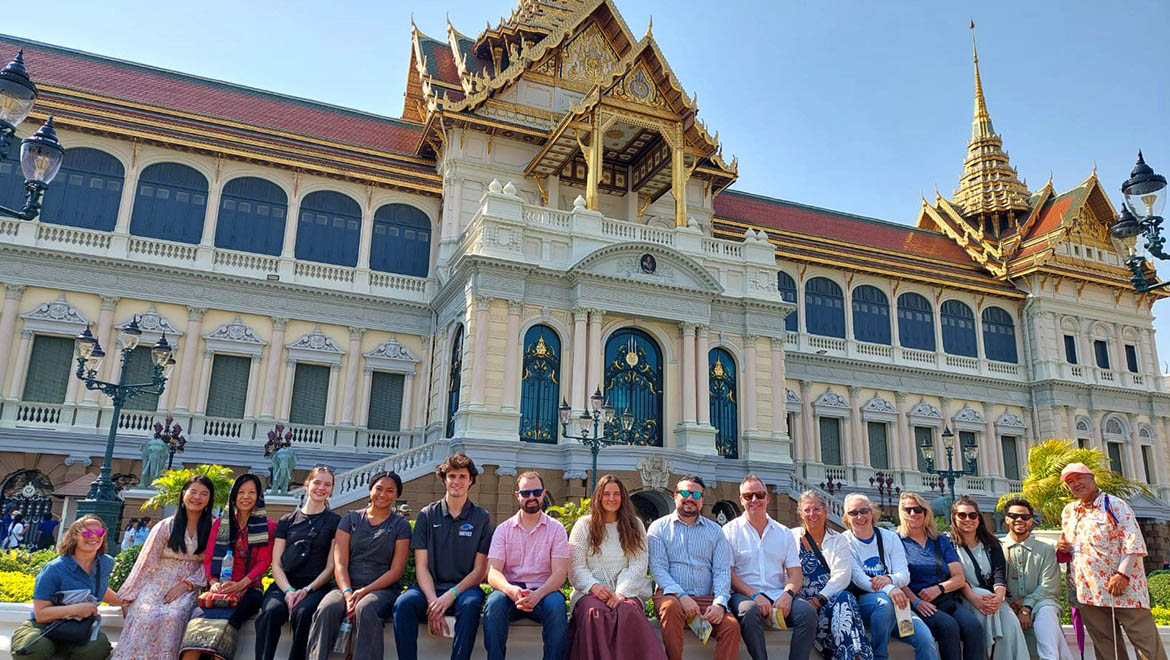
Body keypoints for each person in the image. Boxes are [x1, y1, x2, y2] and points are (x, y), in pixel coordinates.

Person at [1057, 462, 1167, 660]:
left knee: (1146, 645)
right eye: (1070, 482)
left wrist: (1122, 574)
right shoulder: (1069, 511)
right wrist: (1062, 547)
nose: (1076, 484)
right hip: (1089, 591)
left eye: (1079, 478)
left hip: (1123, 588)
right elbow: (1070, 545)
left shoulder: (1114, 504)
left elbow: (1133, 540)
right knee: (1106, 647)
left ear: (1092, 477)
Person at [393, 453, 493, 660]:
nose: (456, 482)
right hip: (429, 588)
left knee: (471, 605)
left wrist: (450, 595)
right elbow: (421, 566)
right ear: (444, 479)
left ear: (471, 480)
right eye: (452, 476)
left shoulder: (481, 518)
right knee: (403, 604)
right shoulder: (426, 515)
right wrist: (433, 601)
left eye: (462, 477)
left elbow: (479, 570)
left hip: (464, 589)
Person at [307, 470, 411, 660]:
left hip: (382, 589)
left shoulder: (401, 526)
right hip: (345, 587)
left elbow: (396, 570)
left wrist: (364, 591)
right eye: (378, 488)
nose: (383, 494)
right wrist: (347, 593)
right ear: (370, 490)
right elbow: (340, 563)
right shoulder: (350, 519)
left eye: (390, 491)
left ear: (397, 495)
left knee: (365, 607)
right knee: (327, 608)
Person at [113, 475, 215, 660]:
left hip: (189, 584)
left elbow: (211, 562)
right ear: (183, 494)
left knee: (173, 615)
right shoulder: (166, 526)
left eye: (204, 494)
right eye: (193, 492)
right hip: (157, 581)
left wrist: (188, 584)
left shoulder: (213, 527)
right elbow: (146, 561)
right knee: (144, 613)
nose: (197, 497)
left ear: (210, 499)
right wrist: (129, 595)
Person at [565, 474, 664, 660]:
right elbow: (576, 566)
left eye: (616, 494)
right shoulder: (583, 526)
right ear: (598, 497)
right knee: (595, 613)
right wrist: (594, 587)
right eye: (606, 493)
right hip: (590, 592)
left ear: (623, 497)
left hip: (626, 592)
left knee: (626, 611)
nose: (611, 498)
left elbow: (638, 564)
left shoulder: (635, 525)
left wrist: (620, 593)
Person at [180, 473, 276, 659]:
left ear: (258, 497)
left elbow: (264, 562)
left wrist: (240, 585)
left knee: (225, 626)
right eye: (241, 492)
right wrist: (213, 582)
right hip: (218, 590)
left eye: (251, 492)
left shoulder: (268, 527)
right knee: (195, 628)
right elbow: (209, 559)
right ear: (234, 496)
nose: (246, 497)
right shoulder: (220, 524)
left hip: (249, 591)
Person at [722, 474, 816, 660]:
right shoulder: (728, 532)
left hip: (778, 595)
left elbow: (795, 574)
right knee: (749, 612)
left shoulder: (783, 533)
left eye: (759, 495)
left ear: (767, 498)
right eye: (748, 496)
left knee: (808, 613)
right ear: (741, 500)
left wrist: (788, 595)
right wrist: (755, 596)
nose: (754, 500)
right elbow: (729, 574)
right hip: (744, 595)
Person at [647, 475, 741, 660]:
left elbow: (722, 570)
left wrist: (720, 603)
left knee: (731, 626)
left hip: (706, 599)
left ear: (702, 500)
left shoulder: (715, 531)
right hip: (671, 595)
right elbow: (658, 568)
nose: (690, 498)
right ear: (675, 496)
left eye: (696, 494)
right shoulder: (658, 528)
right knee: (671, 608)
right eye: (685, 493)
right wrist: (682, 597)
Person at [254, 466, 341, 660]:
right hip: (284, 585)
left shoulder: (336, 521)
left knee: (304, 613)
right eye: (317, 482)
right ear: (307, 484)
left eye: (327, 484)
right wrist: (288, 591)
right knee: (270, 613)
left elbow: (330, 567)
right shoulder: (287, 521)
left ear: (332, 489)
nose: (321, 488)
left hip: (316, 587)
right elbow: (276, 564)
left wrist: (307, 589)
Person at [9, 515, 123, 659]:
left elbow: (99, 587)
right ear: (74, 536)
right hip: (45, 626)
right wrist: (75, 609)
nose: (94, 537)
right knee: (35, 647)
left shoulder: (106, 563)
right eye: (87, 533)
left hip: (79, 627)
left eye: (99, 532)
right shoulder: (55, 568)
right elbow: (41, 614)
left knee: (97, 647)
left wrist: (125, 602)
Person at [483, 471, 569, 660]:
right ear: (517, 496)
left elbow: (560, 574)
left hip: (545, 591)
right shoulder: (503, 529)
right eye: (525, 493)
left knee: (556, 606)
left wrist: (538, 594)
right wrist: (511, 590)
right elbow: (493, 572)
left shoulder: (557, 529)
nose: (531, 498)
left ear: (543, 494)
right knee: (494, 604)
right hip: (512, 591)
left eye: (536, 492)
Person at [841, 493, 937, 660]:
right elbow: (859, 578)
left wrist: (890, 579)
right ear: (847, 517)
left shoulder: (889, 537)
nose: (859, 516)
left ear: (872, 513)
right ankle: (879, 656)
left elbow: (904, 575)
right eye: (853, 513)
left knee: (926, 640)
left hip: (899, 607)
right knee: (883, 603)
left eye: (864, 511)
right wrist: (890, 588)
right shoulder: (844, 542)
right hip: (867, 602)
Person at [897, 492, 983, 660]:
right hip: (912, 605)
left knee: (974, 627)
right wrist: (917, 601)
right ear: (902, 513)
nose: (913, 514)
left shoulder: (940, 541)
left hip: (944, 599)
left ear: (926, 512)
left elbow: (959, 577)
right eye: (908, 510)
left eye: (918, 509)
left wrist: (939, 588)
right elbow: (897, 579)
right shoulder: (896, 541)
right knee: (948, 627)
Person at [791, 490, 873, 660]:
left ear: (825, 511)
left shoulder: (838, 540)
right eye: (807, 510)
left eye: (816, 509)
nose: (812, 514)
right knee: (846, 603)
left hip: (828, 601)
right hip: (801, 604)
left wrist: (819, 599)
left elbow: (841, 576)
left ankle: (851, 656)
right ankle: (856, 656)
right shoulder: (790, 537)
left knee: (844, 599)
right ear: (800, 513)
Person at [949, 496, 1027, 659]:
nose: (968, 519)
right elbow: (955, 577)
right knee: (983, 612)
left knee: (1011, 623)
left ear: (979, 519)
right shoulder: (948, 544)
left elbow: (999, 574)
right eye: (962, 515)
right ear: (954, 518)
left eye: (972, 515)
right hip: (964, 597)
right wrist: (974, 597)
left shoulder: (991, 544)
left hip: (992, 598)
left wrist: (999, 597)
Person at [1001, 496, 1074, 660]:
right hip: (1007, 606)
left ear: (1031, 521)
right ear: (1006, 519)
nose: (1019, 520)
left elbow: (1050, 586)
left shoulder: (1046, 549)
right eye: (1013, 516)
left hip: (1041, 604)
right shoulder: (997, 548)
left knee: (1047, 612)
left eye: (1025, 517)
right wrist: (1010, 604)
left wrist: (1026, 607)